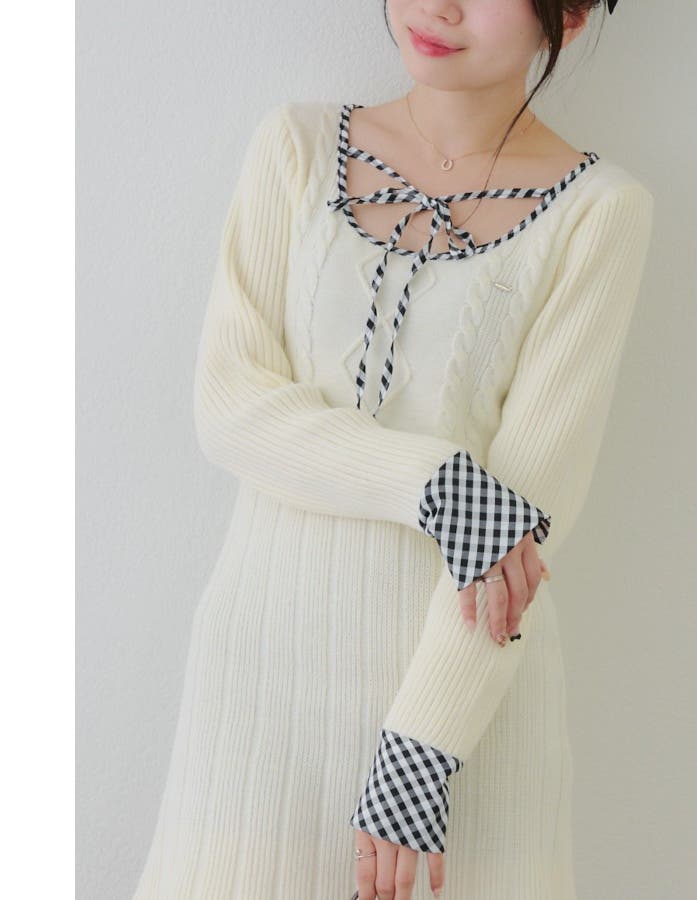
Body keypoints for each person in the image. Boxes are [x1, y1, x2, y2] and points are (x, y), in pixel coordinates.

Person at [131, 1, 653, 898]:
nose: (438, 6)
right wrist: (434, 479)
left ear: (566, 15)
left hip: (463, 714)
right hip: (261, 694)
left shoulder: (599, 212)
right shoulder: (294, 147)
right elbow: (230, 407)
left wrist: (425, 747)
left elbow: (521, 535)